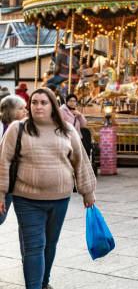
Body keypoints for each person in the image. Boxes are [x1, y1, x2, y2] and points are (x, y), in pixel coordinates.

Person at [0, 87, 96, 289]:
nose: (38, 106)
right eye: (34, 102)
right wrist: (1, 194)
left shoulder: (67, 130)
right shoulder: (17, 129)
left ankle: (44, 282)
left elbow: (81, 162)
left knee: (50, 244)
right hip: (26, 199)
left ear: (52, 105)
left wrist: (87, 191)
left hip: (59, 199)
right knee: (35, 247)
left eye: (43, 102)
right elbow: (4, 162)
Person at [0, 95, 27, 226]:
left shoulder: (21, 127)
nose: (25, 111)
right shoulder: (6, 128)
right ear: (12, 111)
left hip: (13, 180)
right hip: (5, 178)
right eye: (21, 108)